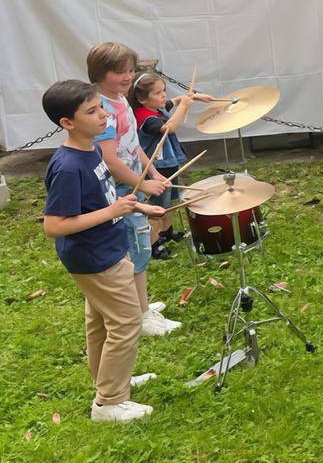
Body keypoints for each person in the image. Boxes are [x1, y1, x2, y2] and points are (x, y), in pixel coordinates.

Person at [41, 80, 160, 423]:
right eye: (92, 111)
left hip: (106, 247)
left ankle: (110, 380)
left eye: (101, 107)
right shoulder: (68, 166)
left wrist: (138, 208)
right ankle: (109, 402)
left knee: (100, 324)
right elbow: (55, 225)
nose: (104, 115)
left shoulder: (91, 148)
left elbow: (106, 199)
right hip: (94, 257)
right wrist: (113, 213)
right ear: (68, 122)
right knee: (125, 323)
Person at [87, 42, 177, 337]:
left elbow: (133, 144)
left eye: (130, 70)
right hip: (119, 190)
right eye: (118, 72)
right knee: (137, 248)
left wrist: (151, 171)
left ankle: (142, 304)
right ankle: (141, 316)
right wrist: (141, 183)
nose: (127, 77)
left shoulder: (120, 99)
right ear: (98, 73)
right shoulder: (100, 109)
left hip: (132, 183)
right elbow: (110, 160)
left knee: (138, 246)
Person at [129, 74, 213, 258]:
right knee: (157, 208)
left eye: (164, 90)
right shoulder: (145, 117)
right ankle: (153, 245)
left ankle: (167, 233)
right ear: (142, 99)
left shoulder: (154, 107)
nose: (164, 96)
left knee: (169, 203)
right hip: (157, 167)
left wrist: (191, 98)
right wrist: (184, 106)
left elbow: (171, 103)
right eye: (158, 92)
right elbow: (169, 127)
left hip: (168, 163)